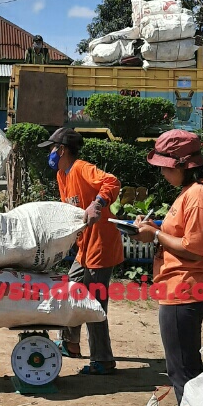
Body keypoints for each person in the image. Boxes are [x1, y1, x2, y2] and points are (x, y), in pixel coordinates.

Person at [133, 130, 203, 405]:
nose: (162, 173)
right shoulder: (190, 193)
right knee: (183, 370)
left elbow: (194, 249)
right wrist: (152, 229)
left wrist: (155, 235)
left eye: (165, 167)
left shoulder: (199, 196)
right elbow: (183, 237)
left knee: (184, 374)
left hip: (185, 289)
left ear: (183, 165)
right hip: (181, 288)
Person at [38, 128, 123, 375]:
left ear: (62, 149)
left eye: (53, 149)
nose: (51, 154)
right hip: (84, 247)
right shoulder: (62, 176)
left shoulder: (81, 168)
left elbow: (112, 181)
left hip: (101, 245)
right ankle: (70, 343)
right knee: (69, 289)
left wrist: (98, 203)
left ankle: (103, 359)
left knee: (94, 303)